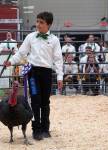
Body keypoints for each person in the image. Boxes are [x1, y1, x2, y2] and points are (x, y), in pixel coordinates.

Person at [4, 12, 63, 141]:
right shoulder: (30, 37)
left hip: (47, 73)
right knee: (35, 101)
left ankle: (45, 128)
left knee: (45, 102)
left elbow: (58, 60)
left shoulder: (54, 40)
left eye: (41, 22)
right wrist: (11, 62)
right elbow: (20, 53)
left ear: (49, 24)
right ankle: (36, 129)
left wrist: (60, 77)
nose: (38, 24)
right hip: (33, 73)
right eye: (37, 21)